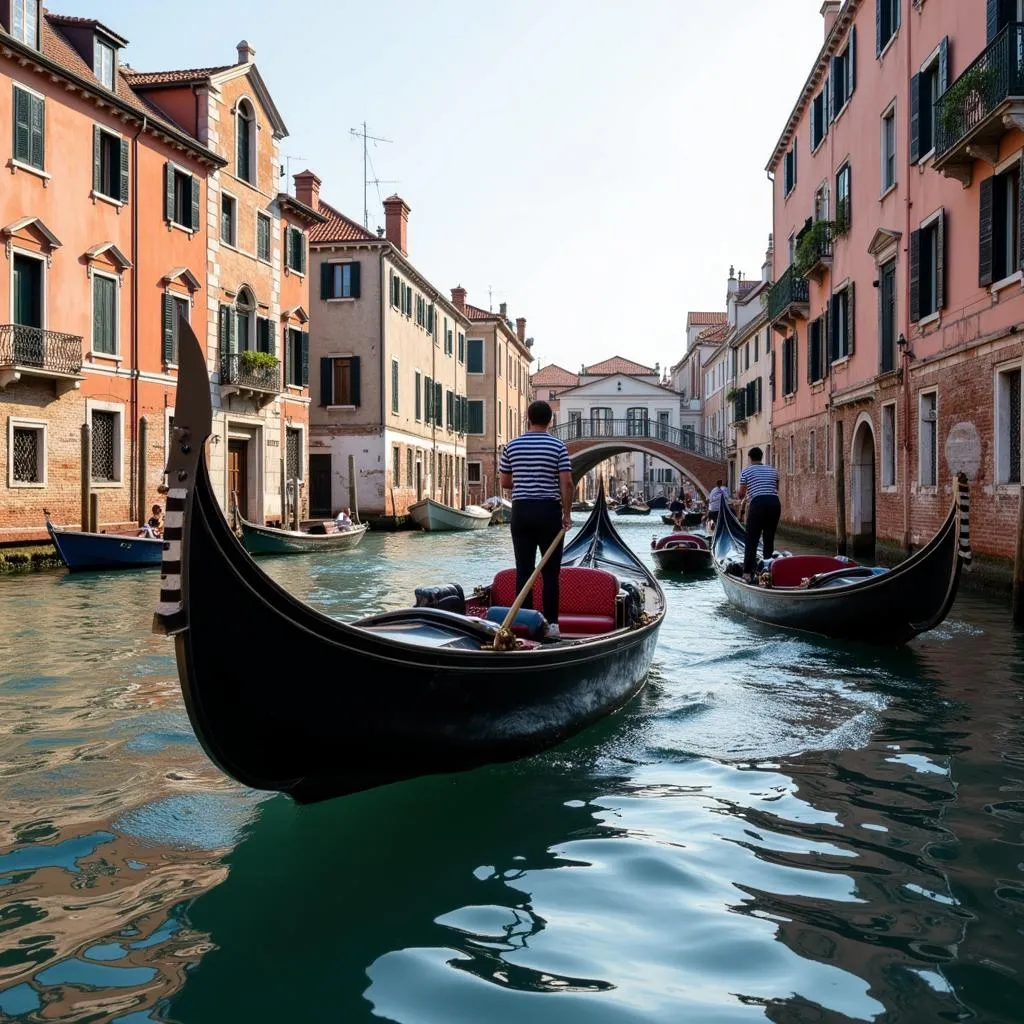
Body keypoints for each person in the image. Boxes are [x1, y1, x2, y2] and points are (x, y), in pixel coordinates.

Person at [499, 399, 573, 641]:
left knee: (524, 570)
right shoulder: (558, 446)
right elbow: (567, 482)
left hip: (521, 512)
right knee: (551, 573)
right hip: (548, 512)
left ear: (528, 419)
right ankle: (552, 625)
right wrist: (567, 514)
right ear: (550, 420)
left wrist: (524, 478)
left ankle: (524, 624)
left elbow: (505, 483)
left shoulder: (511, 446)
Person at [737, 446, 781, 583]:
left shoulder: (746, 471)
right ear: (761, 457)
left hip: (758, 504)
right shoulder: (773, 470)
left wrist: (741, 496)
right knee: (769, 538)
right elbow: (775, 488)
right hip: (774, 504)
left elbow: (741, 493)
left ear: (750, 458)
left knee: (752, 539)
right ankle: (767, 571)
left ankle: (747, 573)